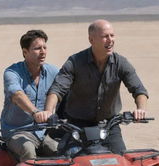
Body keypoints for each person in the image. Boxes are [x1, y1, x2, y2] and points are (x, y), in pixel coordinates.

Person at [35, 20, 148, 154]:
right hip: (76, 126)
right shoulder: (75, 62)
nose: (110, 40)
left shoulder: (120, 63)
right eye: (105, 36)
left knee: (121, 160)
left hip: (109, 125)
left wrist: (141, 109)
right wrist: (48, 112)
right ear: (91, 39)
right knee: (70, 161)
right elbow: (57, 89)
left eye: (112, 35)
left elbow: (139, 90)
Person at [0, 29, 58, 162]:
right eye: (37, 48)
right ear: (25, 52)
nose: (43, 52)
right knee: (28, 149)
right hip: (17, 132)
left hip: (42, 132)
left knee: (60, 150)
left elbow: (63, 88)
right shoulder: (12, 72)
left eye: (44, 47)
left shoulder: (53, 71)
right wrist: (35, 112)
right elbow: (17, 95)